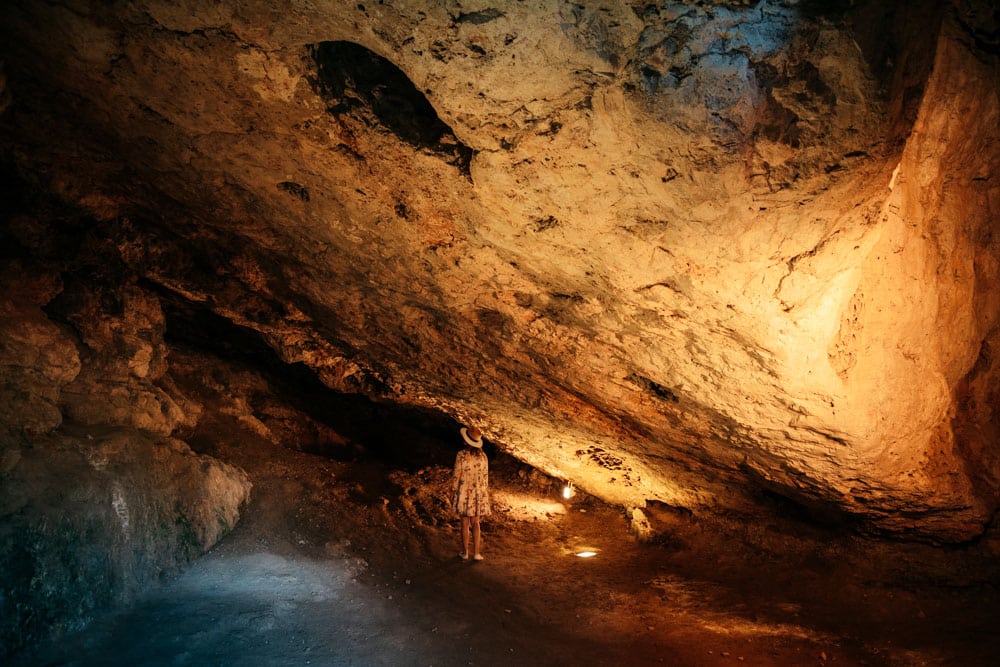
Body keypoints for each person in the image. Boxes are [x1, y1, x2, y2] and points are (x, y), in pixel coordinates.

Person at [451, 425, 490, 561]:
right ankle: (477, 553)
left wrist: (453, 492)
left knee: (464, 523)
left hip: (463, 493)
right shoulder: (483, 457)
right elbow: (485, 478)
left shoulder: (461, 455)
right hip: (477, 494)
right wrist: (483, 494)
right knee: (476, 523)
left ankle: (465, 552)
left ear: (466, 440)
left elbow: (456, 475)